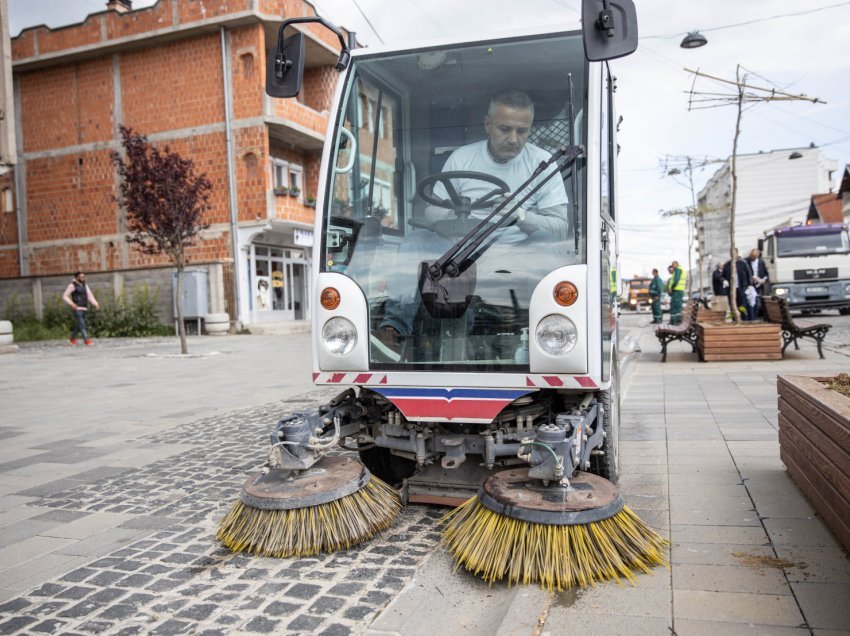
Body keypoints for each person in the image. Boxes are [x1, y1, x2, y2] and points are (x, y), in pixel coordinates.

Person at [377, 89, 569, 351]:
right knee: (415, 240)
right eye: (504, 128)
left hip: (516, 252)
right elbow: (432, 212)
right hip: (460, 250)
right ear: (487, 124)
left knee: (545, 240)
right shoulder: (462, 157)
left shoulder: (543, 163)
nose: (513, 139)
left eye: (522, 131)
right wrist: (453, 217)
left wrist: (520, 215)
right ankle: (394, 329)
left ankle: (550, 331)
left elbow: (559, 227)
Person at [62, 271, 100, 345]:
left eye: (84, 277)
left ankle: (72, 339)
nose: (83, 278)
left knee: (79, 325)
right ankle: (87, 340)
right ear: (76, 277)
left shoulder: (84, 285)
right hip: (77, 308)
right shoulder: (72, 285)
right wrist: (71, 304)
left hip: (84, 308)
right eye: (81, 277)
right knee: (82, 325)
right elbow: (65, 296)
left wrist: (95, 303)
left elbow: (89, 295)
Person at [722, 250, 752, 320]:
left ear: (737, 253)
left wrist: (749, 285)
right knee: (733, 306)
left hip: (741, 288)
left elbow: (749, 274)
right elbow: (723, 276)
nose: (732, 254)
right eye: (731, 253)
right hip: (731, 290)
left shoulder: (742, 264)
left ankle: (744, 320)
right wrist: (724, 281)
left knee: (742, 306)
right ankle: (735, 320)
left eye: (734, 253)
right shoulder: (726, 265)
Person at [746, 248, 769, 320]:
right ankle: (752, 317)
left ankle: (756, 316)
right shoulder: (746, 261)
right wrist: (752, 277)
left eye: (755, 257)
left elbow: (766, 274)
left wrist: (763, 280)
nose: (753, 258)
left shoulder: (761, 262)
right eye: (752, 257)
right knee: (751, 301)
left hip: (759, 285)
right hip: (750, 285)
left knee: (759, 301)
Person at [667, 260, 687, 325]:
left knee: (677, 306)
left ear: (676, 264)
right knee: (674, 306)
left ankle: (677, 321)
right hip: (676, 290)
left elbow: (676, 281)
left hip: (677, 290)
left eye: (673, 265)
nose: (672, 267)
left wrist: (671, 288)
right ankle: (673, 321)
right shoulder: (677, 271)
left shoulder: (678, 270)